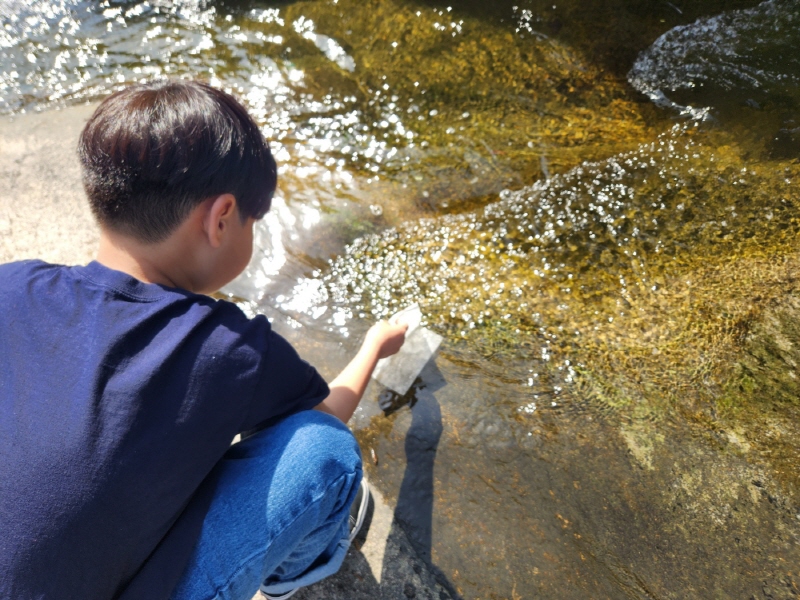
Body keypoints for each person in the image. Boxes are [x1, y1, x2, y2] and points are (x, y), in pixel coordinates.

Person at [0, 79, 408, 600]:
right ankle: (291, 576)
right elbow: (326, 415)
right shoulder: (228, 346)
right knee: (327, 453)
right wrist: (374, 345)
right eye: (251, 222)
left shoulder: (13, 285)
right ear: (220, 219)